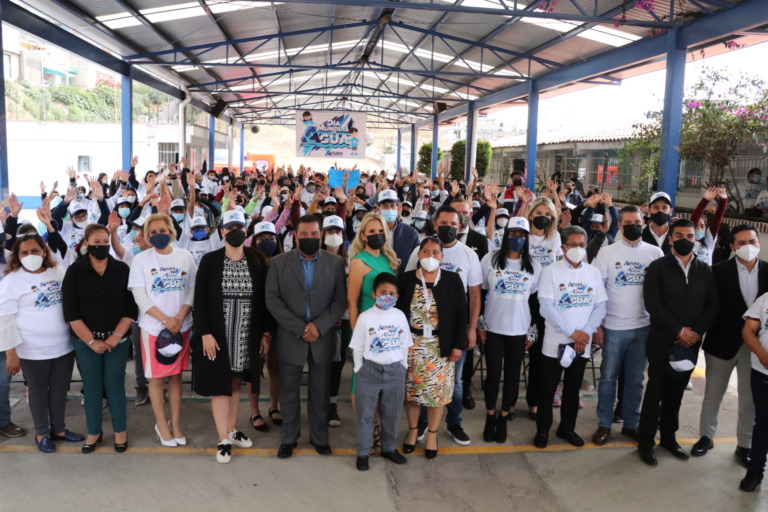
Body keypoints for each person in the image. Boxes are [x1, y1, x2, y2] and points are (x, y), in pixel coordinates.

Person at [192, 210, 274, 463]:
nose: (235, 230)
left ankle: (231, 429)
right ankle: (223, 439)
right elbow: (200, 299)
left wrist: (264, 332)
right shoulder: (210, 260)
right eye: (231, 227)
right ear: (222, 231)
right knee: (220, 387)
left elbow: (263, 300)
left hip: (245, 333)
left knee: (237, 382)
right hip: (218, 334)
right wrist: (205, 332)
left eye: (240, 226)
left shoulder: (257, 259)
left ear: (246, 230)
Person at [638, 219, 719, 466]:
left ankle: (669, 439)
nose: (685, 239)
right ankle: (645, 442)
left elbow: (713, 304)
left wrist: (695, 333)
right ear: (671, 239)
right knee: (656, 390)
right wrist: (678, 329)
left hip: (690, 344)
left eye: (690, 236)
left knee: (676, 393)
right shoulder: (658, 267)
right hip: (663, 339)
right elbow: (652, 303)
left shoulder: (704, 270)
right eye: (680, 235)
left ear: (696, 239)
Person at [265, 215, 347, 459]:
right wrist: (300, 327)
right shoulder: (279, 263)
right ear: (295, 236)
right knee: (288, 390)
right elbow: (273, 300)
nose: (309, 238)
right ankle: (289, 439)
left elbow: (339, 300)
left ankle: (320, 438)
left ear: (320, 236)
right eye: (304, 235)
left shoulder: (334, 262)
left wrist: (319, 326)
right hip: (292, 336)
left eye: (314, 234)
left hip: (322, 336)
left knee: (320, 391)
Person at [405, 206, 482, 446]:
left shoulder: (467, 256)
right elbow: (405, 297)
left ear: (459, 227)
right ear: (435, 225)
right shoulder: (415, 259)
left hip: (446, 338)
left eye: (453, 224)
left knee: (453, 384)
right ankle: (421, 426)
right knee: (416, 386)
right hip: (416, 341)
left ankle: (453, 424)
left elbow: (474, 297)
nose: (448, 227)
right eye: (443, 223)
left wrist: (469, 331)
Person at [0, 233, 84, 453]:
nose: (30, 256)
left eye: (34, 251)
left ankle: (60, 430)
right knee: (38, 391)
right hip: (31, 349)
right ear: (17, 256)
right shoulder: (11, 281)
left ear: (44, 251)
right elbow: (5, 319)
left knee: (59, 390)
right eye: (24, 252)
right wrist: (11, 352)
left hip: (63, 347)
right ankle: (42, 433)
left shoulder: (58, 272)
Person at [692, 224, 768, 466]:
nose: (749, 247)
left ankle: (744, 445)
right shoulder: (716, 271)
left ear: (759, 243)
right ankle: (706, 436)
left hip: (755, 348)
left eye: (753, 242)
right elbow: (707, 307)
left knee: (749, 399)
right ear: (733, 246)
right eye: (742, 243)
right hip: (721, 343)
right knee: (713, 394)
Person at [591, 206, 664, 446]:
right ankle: (604, 423)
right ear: (620, 226)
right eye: (629, 222)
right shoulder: (607, 253)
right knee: (608, 377)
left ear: (644, 223)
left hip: (643, 328)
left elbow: (661, 292)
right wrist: (598, 326)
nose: (634, 225)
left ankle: (632, 424)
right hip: (613, 327)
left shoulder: (655, 253)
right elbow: (598, 293)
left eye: (638, 221)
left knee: (635, 380)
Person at [62, 224, 138, 453]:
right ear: (86, 243)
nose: (101, 246)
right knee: (92, 386)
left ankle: (120, 431)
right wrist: (92, 341)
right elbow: (71, 312)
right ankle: (94, 431)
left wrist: (115, 337)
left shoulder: (122, 270)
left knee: (115, 385)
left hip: (118, 340)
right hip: (85, 342)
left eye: (105, 242)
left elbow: (130, 307)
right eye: (96, 242)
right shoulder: (75, 271)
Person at [534, 226, 607, 448]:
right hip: (555, 342)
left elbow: (600, 306)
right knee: (547, 390)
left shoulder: (592, 273)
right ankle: (543, 430)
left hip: (581, 344)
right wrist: (571, 332)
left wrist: (584, 333)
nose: (578, 249)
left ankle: (567, 428)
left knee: (572, 390)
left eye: (582, 245)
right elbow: (546, 307)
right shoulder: (551, 271)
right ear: (563, 247)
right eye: (573, 245)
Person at [128, 213, 197, 447]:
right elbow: (139, 295)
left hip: (181, 327)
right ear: (147, 236)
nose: (159, 235)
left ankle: (175, 422)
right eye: (153, 232)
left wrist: (179, 317)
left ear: (171, 231)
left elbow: (192, 289)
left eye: (163, 230)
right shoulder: (141, 260)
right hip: (153, 329)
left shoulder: (185, 257)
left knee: (176, 377)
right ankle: (161, 424)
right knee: (156, 379)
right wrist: (165, 319)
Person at [399, 237, 467, 459]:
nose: (430, 257)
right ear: (418, 255)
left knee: (437, 395)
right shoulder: (406, 279)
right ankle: (412, 432)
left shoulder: (452, 280)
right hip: (412, 345)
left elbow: (461, 315)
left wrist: (458, 345)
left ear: (442, 256)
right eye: (425, 252)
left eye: (435, 253)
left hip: (441, 346)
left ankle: (432, 435)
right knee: (412, 393)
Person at [479, 217, 541, 443]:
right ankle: (490, 415)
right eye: (514, 234)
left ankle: (504, 417)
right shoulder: (490, 260)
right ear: (506, 236)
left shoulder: (534, 265)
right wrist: (480, 321)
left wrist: (533, 329)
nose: (518, 239)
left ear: (527, 238)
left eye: (522, 235)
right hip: (493, 328)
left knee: (513, 376)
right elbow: (480, 293)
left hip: (519, 329)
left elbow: (535, 301)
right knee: (493, 375)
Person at [350, 273, 413, 471]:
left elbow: (405, 345)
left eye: (391, 293)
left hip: (395, 372)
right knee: (365, 415)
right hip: (369, 371)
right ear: (374, 294)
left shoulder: (400, 316)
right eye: (383, 292)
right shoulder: (365, 317)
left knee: (392, 414)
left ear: (397, 295)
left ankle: (388, 448)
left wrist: (403, 366)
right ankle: (363, 451)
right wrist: (359, 368)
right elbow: (358, 347)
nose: (387, 296)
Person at [525, 197, 562, 420]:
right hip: (523, 299)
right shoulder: (522, 236)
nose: (544, 217)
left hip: (546, 299)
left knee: (539, 355)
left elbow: (557, 265)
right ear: (530, 214)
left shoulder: (554, 237)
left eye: (548, 215)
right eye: (539, 212)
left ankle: (534, 401)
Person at [740, 285, 768, 491]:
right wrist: (761, 353)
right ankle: (755, 470)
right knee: (763, 422)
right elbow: (748, 330)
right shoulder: (765, 300)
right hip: (762, 372)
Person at [376, 189, 419, 274]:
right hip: (376, 279)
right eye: (385, 206)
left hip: (403, 281)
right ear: (378, 208)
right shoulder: (370, 231)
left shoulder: (411, 233)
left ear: (398, 208)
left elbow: (417, 260)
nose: (389, 209)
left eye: (392, 206)